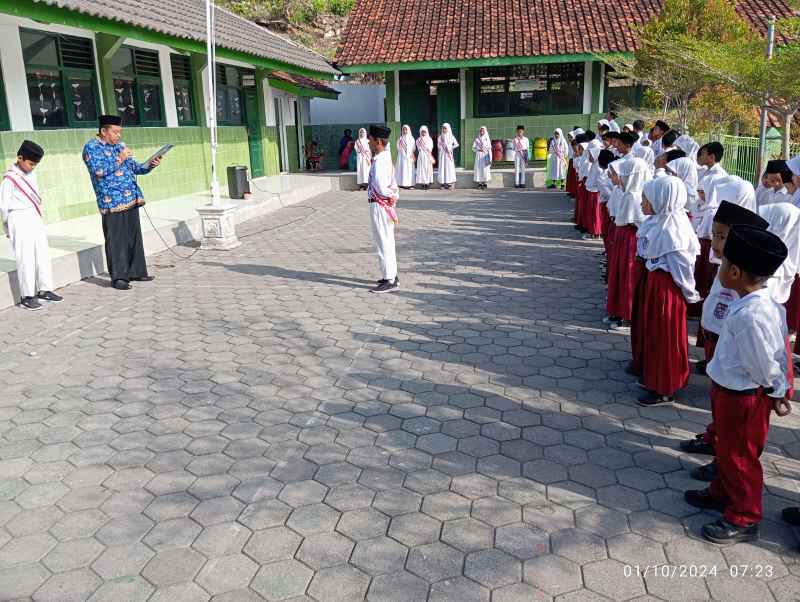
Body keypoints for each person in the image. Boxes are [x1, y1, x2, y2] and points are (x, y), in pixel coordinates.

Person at [684, 224, 790, 545]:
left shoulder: (752, 316)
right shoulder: (758, 303)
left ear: (733, 271)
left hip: (742, 397)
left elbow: (764, 361)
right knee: (728, 451)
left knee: (740, 457)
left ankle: (744, 516)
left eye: (723, 260)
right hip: (729, 390)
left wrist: (776, 389)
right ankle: (721, 492)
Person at [679, 202, 770, 481]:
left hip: (737, 351)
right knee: (718, 401)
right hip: (719, 340)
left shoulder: (749, 277)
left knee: (732, 416)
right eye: (715, 235)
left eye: (722, 236)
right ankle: (714, 437)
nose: (715, 242)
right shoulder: (725, 267)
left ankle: (724, 460)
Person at [635, 176, 700, 406]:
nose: (642, 203)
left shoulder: (674, 231)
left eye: (646, 199)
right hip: (657, 286)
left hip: (667, 291)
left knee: (666, 339)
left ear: (662, 200)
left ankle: (665, 387)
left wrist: (690, 294)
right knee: (655, 335)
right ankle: (654, 377)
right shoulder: (659, 222)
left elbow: (683, 269)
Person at [83, 115, 161, 291]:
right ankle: (119, 277)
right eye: (115, 132)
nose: (118, 136)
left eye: (120, 132)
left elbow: (136, 168)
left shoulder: (120, 147)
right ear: (104, 131)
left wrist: (151, 164)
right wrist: (120, 158)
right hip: (111, 201)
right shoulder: (91, 147)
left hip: (131, 198)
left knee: (133, 237)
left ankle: (136, 271)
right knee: (116, 241)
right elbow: (98, 171)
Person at [0, 141, 62, 310]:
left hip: (33, 217)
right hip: (18, 218)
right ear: (20, 158)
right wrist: (7, 228)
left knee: (42, 253)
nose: (32, 167)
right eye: (30, 163)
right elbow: (3, 206)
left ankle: (45, 289)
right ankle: (27, 295)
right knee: (25, 257)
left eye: (35, 164)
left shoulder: (31, 174)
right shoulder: (9, 179)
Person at [606, 157, 650, 330]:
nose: (620, 179)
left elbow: (639, 221)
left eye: (624, 175)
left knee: (628, 276)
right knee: (620, 275)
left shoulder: (635, 195)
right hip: (624, 240)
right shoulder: (628, 194)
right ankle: (618, 310)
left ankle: (628, 315)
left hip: (631, 241)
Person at [367, 124, 399, 294]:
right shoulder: (385, 157)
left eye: (370, 139)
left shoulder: (380, 161)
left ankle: (389, 279)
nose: (368, 142)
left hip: (379, 205)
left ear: (378, 141)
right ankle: (392, 275)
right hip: (385, 205)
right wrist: (393, 195)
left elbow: (380, 186)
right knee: (388, 241)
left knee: (383, 243)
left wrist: (389, 195)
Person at [438, 123, 459, 190]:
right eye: (443, 128)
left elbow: (456, 144)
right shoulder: (440, 137)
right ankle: (443, 183)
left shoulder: (451, 136)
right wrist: (442, 148)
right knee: (443, 168)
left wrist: (451, 148)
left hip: (449, 155)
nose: (444, 130)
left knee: (449, 168)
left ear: (448, 129)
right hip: (442, 155)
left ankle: (450, 183)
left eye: (445, 128)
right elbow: (438, 145)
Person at [396, 125, 415, 189]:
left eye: (406, 129)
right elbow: (398, 147)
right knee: (402, 169)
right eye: (403, 130)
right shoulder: (400, 139)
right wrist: (403, 151)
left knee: (409, 170)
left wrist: (409, 152)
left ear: (408, 130)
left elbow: (413, 148)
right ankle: (402, 184)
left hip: (409, 157)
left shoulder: (411, 139)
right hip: (402, 157)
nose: (404, 131)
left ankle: (410, 184)